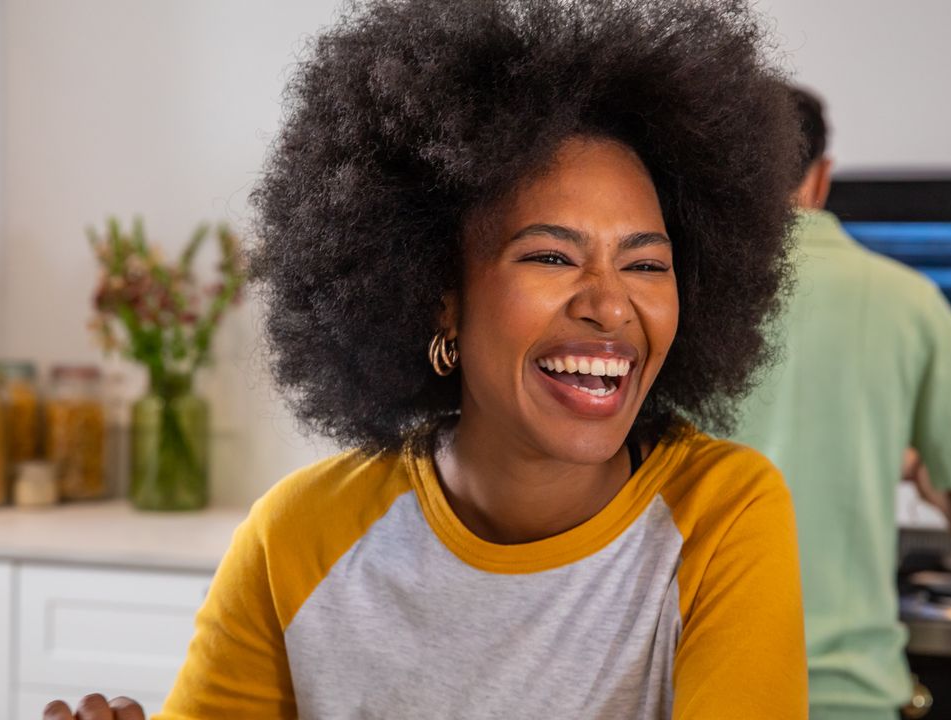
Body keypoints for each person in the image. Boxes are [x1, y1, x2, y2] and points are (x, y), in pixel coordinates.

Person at [43, 1, 809, 718]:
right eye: (549, 256)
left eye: (645, 265)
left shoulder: (722, 515)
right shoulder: (297, 538)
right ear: (439, 293)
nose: (611, 307)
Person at [730, 85, 951, 720]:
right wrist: (923, 470)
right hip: (848, 694)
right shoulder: (907, 301)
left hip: (698, 684)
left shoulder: (669, 297)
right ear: (822, 178)